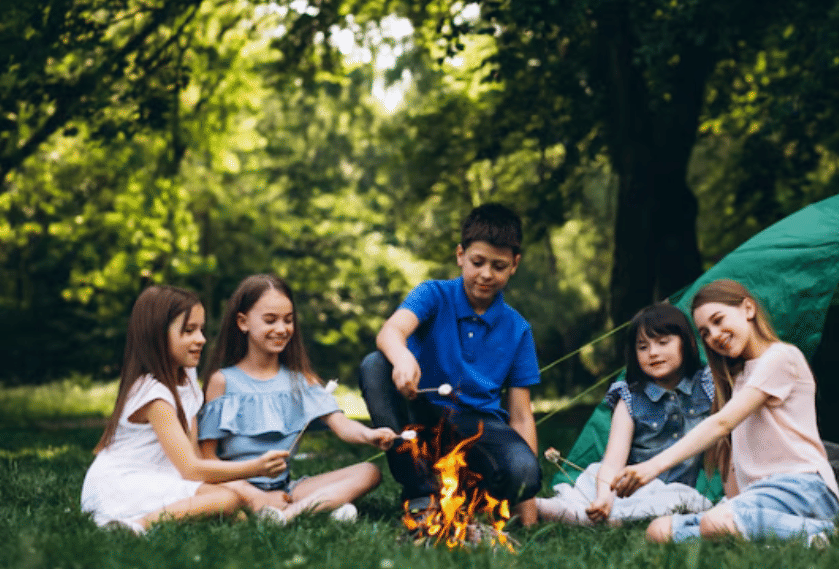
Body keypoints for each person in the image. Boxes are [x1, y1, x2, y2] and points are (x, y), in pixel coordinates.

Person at [612, 279, 839, 550]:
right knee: (659, 530)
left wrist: (651, 467)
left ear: (748, 308)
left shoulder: (780, 357)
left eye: (719, 321)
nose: (715, 336)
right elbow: (736, 454)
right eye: (705, 332)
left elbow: (721, 423)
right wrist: (731, 501)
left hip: (804, 488)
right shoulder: (739, 377)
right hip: (759, 496)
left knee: (716, 523)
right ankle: (770, 537)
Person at [359, 203, 542, 526]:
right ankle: (421, 492)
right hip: (421, 413)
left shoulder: (518, 329)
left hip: (477, 427)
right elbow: (391, 331)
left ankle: (470, 497)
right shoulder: (433, 294)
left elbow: (521, 415)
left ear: (514, 265)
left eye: (498, 266)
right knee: (375, 366)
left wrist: (529, 514)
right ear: (460, 255)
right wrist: (402, 358)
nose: (486, 274)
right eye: (477, 262)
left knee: (525, 471)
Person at [81, 286, 290, 534]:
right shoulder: (153, 394)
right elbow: (190, 468)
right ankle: (135, 526)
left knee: (235, 511)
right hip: (121, 485)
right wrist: (255, 468)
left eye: (201, 329)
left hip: (164, 478)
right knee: (226, 501)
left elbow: (195, 458)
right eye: (189, 331)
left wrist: (244, 492)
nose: (201, 339)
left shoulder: (188, 378)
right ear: (157, 335)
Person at [198, 274, 396, 523]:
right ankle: (319, 509)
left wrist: (369, 435)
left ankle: (287, 515)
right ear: (243, 322)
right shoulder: (222, 381)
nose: (281, 329)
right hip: (234, 487)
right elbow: (207, 459)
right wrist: (251, 494)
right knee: (225, 499)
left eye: (288, 320)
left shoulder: (302, 379)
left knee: (369, 472)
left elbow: (342, 426)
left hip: (286, 490)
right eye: (270, 320)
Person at [535, 303, 714, 525]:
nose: (653, 353)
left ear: (685, 343)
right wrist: (604, 497)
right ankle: (547, 508)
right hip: (632, 487)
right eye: (643, 347)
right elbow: (613, 461)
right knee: (594, 491)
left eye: (663, 342)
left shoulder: (706, 384)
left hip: (680, 490)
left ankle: (575, 517)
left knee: (676, 502)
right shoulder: (629, 396)